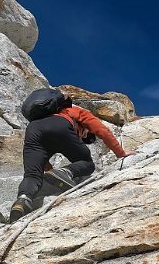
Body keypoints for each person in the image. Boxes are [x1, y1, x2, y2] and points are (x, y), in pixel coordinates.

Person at [10, 94, 136, 222]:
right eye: (85, 135)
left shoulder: (45, 116)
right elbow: (103, 131)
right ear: (85, 129)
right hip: (60, 125)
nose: (82, 138)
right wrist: (121, 153)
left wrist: (51, 173)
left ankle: (22, 201)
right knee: (87, 163)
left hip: (32, 130)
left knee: (32, 175)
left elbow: (43, 163)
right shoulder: (76, 111)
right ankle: (66, 172)